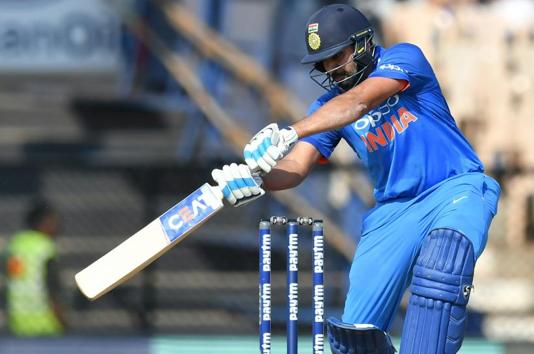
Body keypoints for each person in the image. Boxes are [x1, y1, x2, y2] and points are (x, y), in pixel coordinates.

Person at [211, 4, 500, 354]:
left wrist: (291, 129)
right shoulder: (326, 107)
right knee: (354, 339)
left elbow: (360, 103)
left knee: (443, 262)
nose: (332, 70)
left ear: (362, 44)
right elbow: (297, 166)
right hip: (393, 212)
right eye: (325, 64)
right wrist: (256, 179)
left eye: (338, 58)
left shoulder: (404, 58)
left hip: (455, 188)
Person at [5, 201, 64, 336]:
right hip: (44, 324)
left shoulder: (15, 244)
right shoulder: (45, 247)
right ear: (45, 223)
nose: (57, 227)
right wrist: (62, 320)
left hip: (17, 323)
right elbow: (52, 289)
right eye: (54, 222)